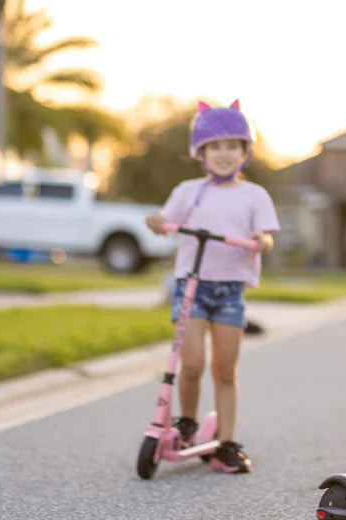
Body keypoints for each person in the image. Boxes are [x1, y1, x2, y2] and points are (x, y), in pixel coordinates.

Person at [144, 100, 279, 474]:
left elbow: (264, 235)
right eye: (215, 146)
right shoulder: (189, 191)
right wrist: (156, 221)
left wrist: (260, 241)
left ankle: (227, 441)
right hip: (192, 287)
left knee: (224, 369)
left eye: (232, 146)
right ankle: (187, 421)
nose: (224, 154)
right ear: (201, 153)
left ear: (244, 152)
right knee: (191, 363)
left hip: (230, 291)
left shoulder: (254, 195)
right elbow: (165, 220)